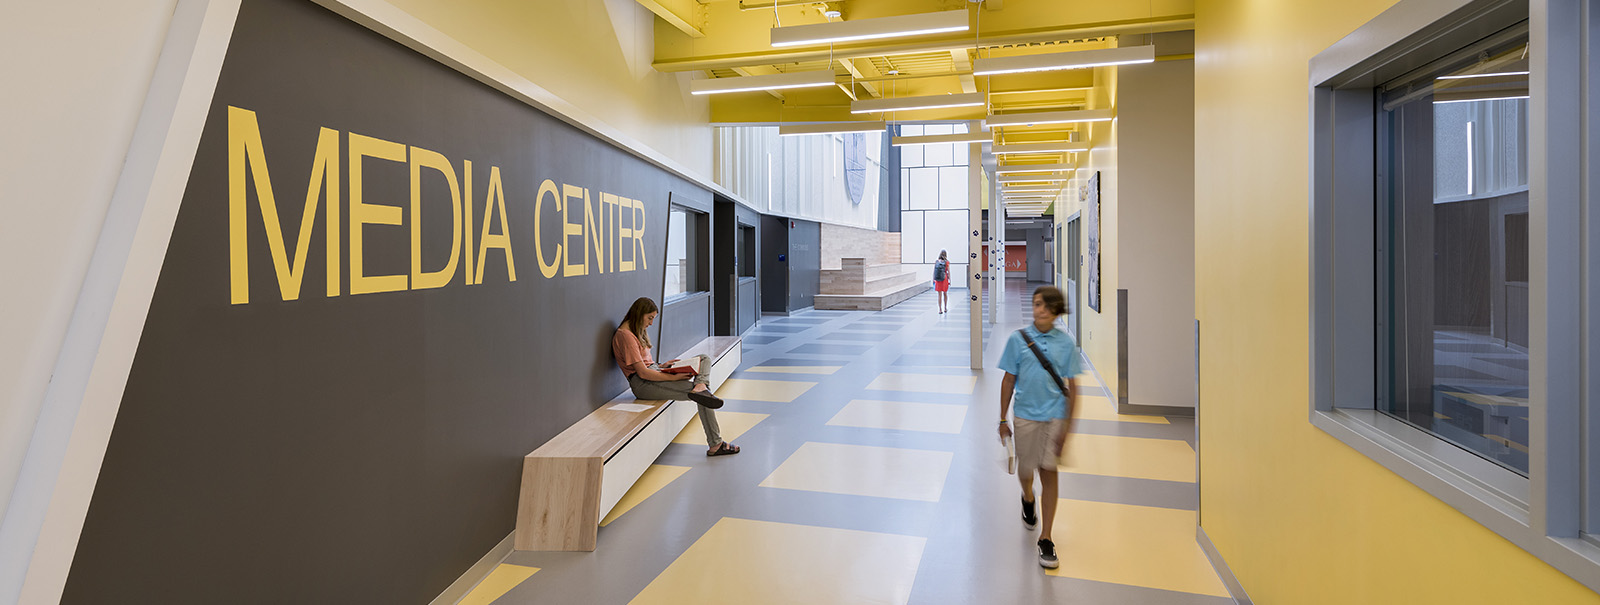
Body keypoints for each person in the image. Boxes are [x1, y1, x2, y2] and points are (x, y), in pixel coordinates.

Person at [996, 286, 1080, 570]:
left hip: (1054, 417)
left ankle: (1046, 536)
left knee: (1049, 471)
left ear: (1056, 311)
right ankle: (1028, 498)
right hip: (1025, 416)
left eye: (1045, 306)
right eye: (1036, 304)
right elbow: (1008, 380)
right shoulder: (1017, 340)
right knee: (1025, 470)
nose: (1039, 310)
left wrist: (1067, 428)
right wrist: (1003, 419)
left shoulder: (1066, 343)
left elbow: (1073, 388)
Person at [613, 297, 740, 456]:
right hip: (643, 384)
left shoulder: (634, 329)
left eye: (653, 318)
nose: (651, 323)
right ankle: (716, 443)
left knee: (704, 358)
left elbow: (645, 363)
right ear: (639, 314)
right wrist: (673, 378)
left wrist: (663, 366)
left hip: (655, 372)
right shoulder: (626, 336)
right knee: (702, 396)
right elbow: (643, 373)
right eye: (650, 318)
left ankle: (701, 385)